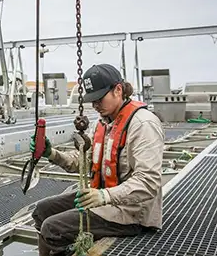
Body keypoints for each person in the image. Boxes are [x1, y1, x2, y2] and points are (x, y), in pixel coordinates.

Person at [30, 64, 164, 256]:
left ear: (118, 90)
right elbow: (82, 161)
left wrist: (105, 196)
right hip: (103, 199)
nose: (95, 106)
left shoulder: (143, 125)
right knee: (42, 211)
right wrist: (51, 154)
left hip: (130, 212)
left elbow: (149, 181)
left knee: (53, 228)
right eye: (92, 101)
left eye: (99, 99)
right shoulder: (102, 123)